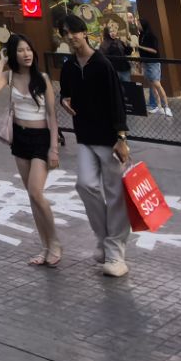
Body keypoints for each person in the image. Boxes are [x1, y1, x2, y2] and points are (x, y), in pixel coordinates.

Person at [58, 16, 133, 278]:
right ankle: (103, 238)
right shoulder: (68, 67)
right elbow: (65, 94)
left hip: (109, 138)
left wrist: (121, 137)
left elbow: (116, 100)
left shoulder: (102, 64)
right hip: (85, 136)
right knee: (85, 184)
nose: (70, 37)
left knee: (116, 195)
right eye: (65, 34)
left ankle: (115, 252)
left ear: (84, 33)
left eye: (74, 32)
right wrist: (63, 101)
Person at [0, 34, 63, 267]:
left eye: (29, 49)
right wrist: (2, 62)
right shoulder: (10, 76)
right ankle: (45, 247)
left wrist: (53, 149)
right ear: (14, 54)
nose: (27, 54)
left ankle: (55, 242)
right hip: (20, 138)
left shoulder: (42, 79)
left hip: (41, 139)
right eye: (21, 50)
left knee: (36, 192)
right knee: (31, 197)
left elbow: (52, 116)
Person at [134, 29, 172, 116]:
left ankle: (166, 107)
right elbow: (141, 52)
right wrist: (140, 63)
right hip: (146, 63)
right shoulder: (141, 36)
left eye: (139, 23)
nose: (138, 25)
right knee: (152, 86)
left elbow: (154, 50)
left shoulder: (151, 36)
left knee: (157, 85)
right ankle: (159, 107)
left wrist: (139, 46)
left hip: (153, 63)